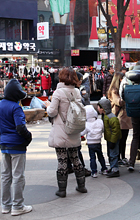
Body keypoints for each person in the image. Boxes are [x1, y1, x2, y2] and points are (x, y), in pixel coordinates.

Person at [0, 79, 33, 216]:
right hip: (17, 145)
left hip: (5, 145)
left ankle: (5, 205)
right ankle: (18, 206)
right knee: (18, 176)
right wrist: (28, 137)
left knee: (5, 176)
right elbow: (20, 127)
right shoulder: (16, 107)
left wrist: (4, 135)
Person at [47, 68, 87, 197]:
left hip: (61, 130)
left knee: (62, 160)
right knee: (75, 158)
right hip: (73, 129)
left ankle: (62, 190)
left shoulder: (58, 93)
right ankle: (82, 186)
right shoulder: (76, 91)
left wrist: (47, 105)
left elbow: (52, 112)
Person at [120, 61, 140, 173]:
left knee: (135, 136)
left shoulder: (126, 79)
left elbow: (122, 95)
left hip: (132, 110)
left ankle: (131, 163)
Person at [108, 72, 131, 166]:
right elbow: (119, 102)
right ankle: (117, 158)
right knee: (119, 139)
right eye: (122, 79)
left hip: (124, 117)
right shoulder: (114, 90)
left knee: (124, 139)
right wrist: (126, 95)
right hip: (119, 117)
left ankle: (122, 156)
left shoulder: (118, 89)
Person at [97, 97, 121, 177]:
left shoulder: (111, 117)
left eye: (99, 107)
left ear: (103, 108)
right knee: (110, 153)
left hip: (113, 139)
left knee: (113, 153)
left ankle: (115, 169)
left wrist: (113, 141)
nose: (98, 109)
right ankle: (112, 167)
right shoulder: (105, 116)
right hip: (109, 139)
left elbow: (116, 130)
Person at [81, 105, 108, 177]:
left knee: (92, 158)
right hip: (98, 142)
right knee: (100, 156)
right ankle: (104, 168)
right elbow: (102, 129)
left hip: (90, 142)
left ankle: (94, 172)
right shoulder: (100, 122)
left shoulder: (86, 124)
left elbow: (82, 133)